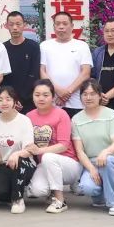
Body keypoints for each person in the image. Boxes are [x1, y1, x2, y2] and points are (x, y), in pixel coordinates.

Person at [72, 79, 114, 216]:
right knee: (87, 187)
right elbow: (80, 151)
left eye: (92, 94)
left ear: (100, 95)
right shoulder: (76, 119)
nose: (88, 97)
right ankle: (102, 194)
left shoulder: (111, 115)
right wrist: (91, 169)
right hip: (92, 163)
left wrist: (105, 153)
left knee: (107, 161)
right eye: (85, 94)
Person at [27, 79, 81, 214]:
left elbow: (64, 145)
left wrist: (39, 150)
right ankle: (51, 191)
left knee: (48, 157)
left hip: (69, 164)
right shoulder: (29, 116)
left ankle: (59, 200)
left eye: (46, 95)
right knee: (37, 190)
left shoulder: (61, 114)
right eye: (37, 95)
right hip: (45, 164)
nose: (41, 98)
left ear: (52, 97)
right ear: (32, 96)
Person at [0, 86, 37, 214]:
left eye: (8, 99)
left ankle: (18, 199)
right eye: (0, 100)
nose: (4, 103)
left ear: (15, 101)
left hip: (25, 163)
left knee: (18, 161)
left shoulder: (24, 120)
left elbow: (30, 149)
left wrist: (17, 154)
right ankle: (14, 189)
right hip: (5, 164)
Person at [39, 11, 92, 118]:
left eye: (65, 23)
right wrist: (57, 91)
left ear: (72, 26)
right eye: (57, 24)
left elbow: (86, 73)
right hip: (52, 101)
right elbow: (42, 71)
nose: (61, 27)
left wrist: (67, 93)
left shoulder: (82, 46)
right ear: (54, 27)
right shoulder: (44, 46)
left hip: (76, 102)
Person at [3, 11, 41, 113]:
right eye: (11, 24)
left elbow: (34, 74)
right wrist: (12, 99)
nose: (15, 28)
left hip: (29, 100)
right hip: (8, 101)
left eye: (18, 24)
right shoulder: (3, 48)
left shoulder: (33, 47)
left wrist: (21, 99)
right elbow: (2, 77)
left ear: (24, 25)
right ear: (6, 26)